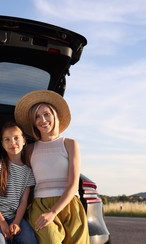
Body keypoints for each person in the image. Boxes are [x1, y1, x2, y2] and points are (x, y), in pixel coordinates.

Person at [14, 90, 90, 244]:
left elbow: (73, 184)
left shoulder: (70, 144)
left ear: (55, 115)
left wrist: (54, 211)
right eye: (37, 116)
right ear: (33, 122)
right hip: (41, 206)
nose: (43, 120)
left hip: (70, 205)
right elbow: (28, 184)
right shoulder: (30, 150)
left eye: (46, 114)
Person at [0, 121, 37, 244]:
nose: (12, 143)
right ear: (2, 144)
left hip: (15, 218)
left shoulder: (28, 172)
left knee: (30, 241)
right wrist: (2, 223)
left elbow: (23, 201)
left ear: (24, 140)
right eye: (7, 139)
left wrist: (16, 222)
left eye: (16, 138)